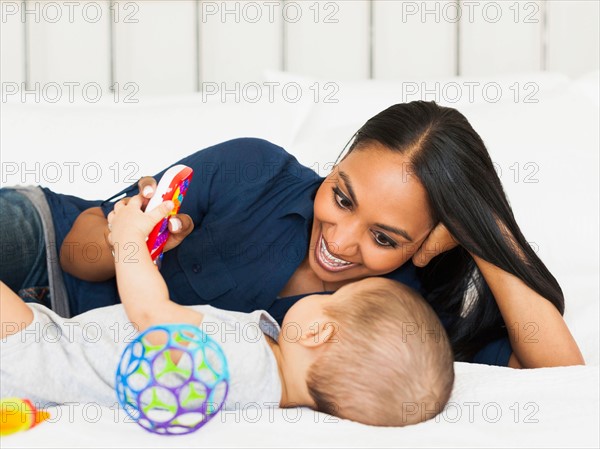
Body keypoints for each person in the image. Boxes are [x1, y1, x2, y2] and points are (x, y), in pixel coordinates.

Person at [0, 101, 584, 368]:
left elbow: (561, 378)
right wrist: (129, 240)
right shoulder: (255, 172)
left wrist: (482, 231)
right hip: (39, 244)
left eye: (385, 238)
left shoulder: (397, 316)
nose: (341, 240)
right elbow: (76, 254)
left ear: (432, 242)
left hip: (44, 341)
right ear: (335, 164)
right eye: (341, 196)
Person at [0, 193, 455, 427]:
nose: (319, 294)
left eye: (333, 300)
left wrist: (129, 241)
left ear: (318, 332)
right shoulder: (262, 395)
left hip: (35, 351)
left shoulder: (242, 360)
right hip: (46, 356)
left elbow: (151, 315)